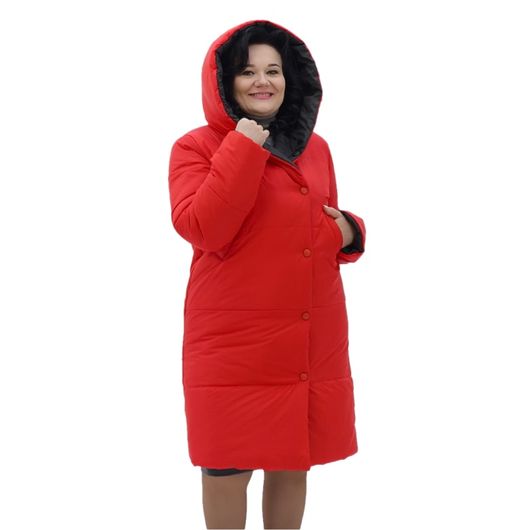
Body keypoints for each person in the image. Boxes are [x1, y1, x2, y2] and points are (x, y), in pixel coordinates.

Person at [167, 19, 366, 529]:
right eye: (247, 71)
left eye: (273, 70)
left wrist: (350, 231)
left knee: (292, 463)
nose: (263, 81)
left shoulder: (315, 148)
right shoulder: (195, 147)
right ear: (223, 81)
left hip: (306, 334)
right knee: (225, 469)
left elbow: (315, 226)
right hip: (233, 343)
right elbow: (203, 228)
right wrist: (242, 145)